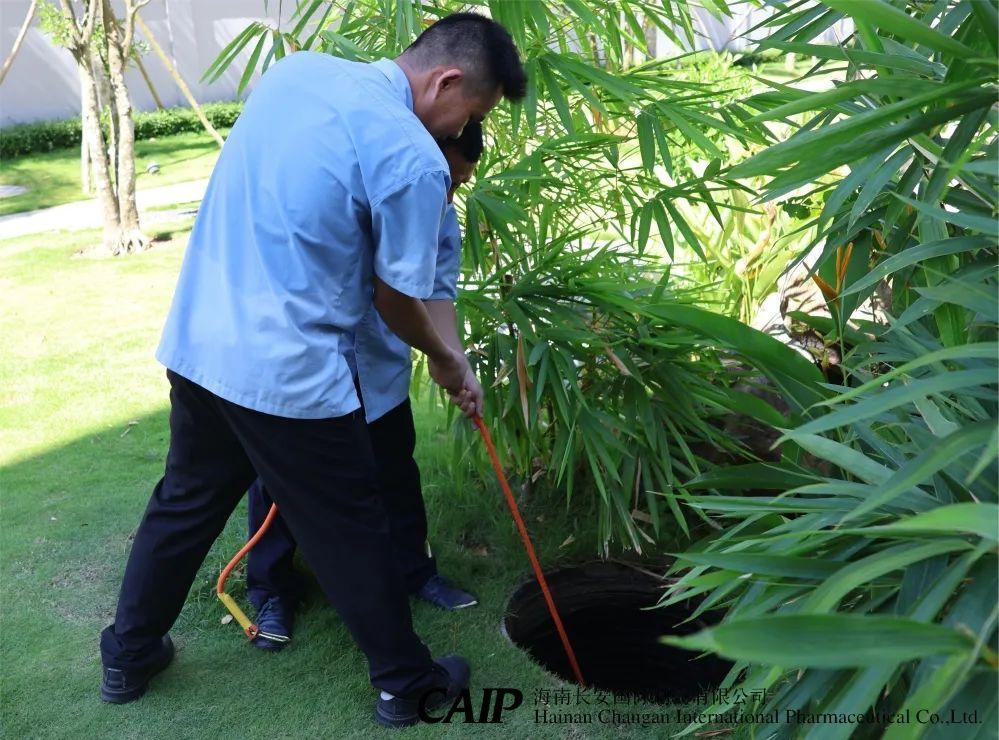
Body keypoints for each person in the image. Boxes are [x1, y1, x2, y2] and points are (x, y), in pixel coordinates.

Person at [97, 12, 526, 729]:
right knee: (349, 527)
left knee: (184, 503)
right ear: (446, 82)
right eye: (471, 114)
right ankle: (405, 685)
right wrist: (449, 360)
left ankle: (127, 654)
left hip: (202, 341)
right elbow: (396, 300)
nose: (461, 130)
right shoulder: (412, 157)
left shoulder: (297, 74)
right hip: (288, 374)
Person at [245, 123, 485, 652]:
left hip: (380, 367)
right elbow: (380, 293)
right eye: (445, 180)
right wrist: (442, 358)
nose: (448, 196)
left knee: (395, 470)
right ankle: (271, 589)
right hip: (305, 362)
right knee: (282, 482)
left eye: (459, 185)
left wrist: (456, 363)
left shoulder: (439, 215)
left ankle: (415, 572)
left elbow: (438, 291)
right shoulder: (351, 191)